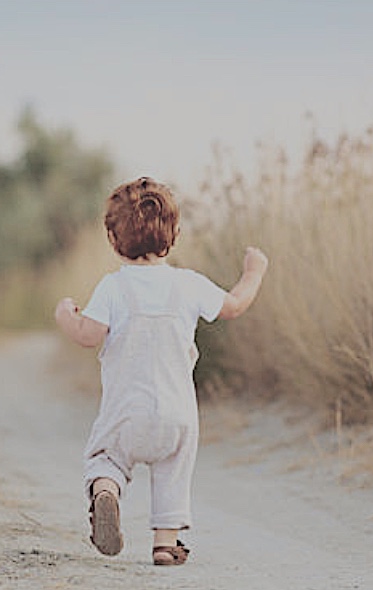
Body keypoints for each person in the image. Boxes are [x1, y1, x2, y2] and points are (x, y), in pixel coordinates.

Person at [54, 176, 268, 566]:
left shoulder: (113, 288)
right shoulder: (188, 285)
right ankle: (165, 544)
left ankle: (106, 493)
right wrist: (253, 271)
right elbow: (234, 306)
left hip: (126, 413)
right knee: (173, 469)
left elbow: (87, 335)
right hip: (177, 414)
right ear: (175, 235)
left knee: (107, 458)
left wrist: (65, 314)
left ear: (112, 239)